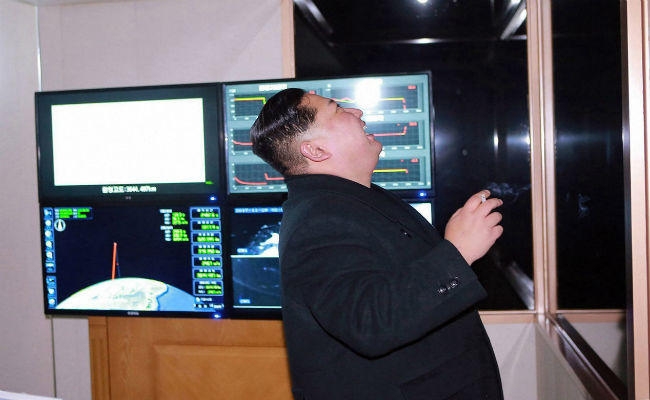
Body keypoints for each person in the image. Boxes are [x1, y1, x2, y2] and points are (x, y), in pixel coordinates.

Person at [250, 88, 505, 400]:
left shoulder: (354, 200)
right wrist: (458, 252)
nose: (356, 112)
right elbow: (369, 323)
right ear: (315, 150)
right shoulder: (317, 222)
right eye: (337, 109)